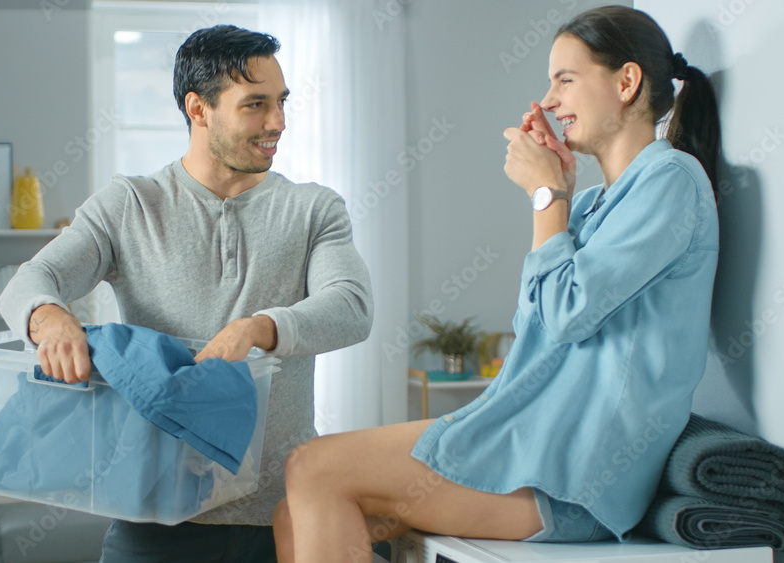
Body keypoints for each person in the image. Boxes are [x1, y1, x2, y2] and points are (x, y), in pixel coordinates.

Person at [272, 6, 722, 560]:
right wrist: (559, 193)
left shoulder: (672, 180)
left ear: (627, 82)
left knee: (311, 467)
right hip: (530, 443)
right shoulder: (591, 206)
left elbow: (566, 313)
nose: (550, 100)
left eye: (565, 79)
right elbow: (534, 329)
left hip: (575, 480)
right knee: (290, 505)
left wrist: (545, 196)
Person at [0, 25, 373, 563]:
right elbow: (30, 282)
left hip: (284, 518)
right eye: (256, 105)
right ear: (198, 109)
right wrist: (51, 319)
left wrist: (257, 328)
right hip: (154, 514)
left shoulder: (314, 209)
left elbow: (352, 306)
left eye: (282, 102)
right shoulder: (130, 204)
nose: (278, 122)